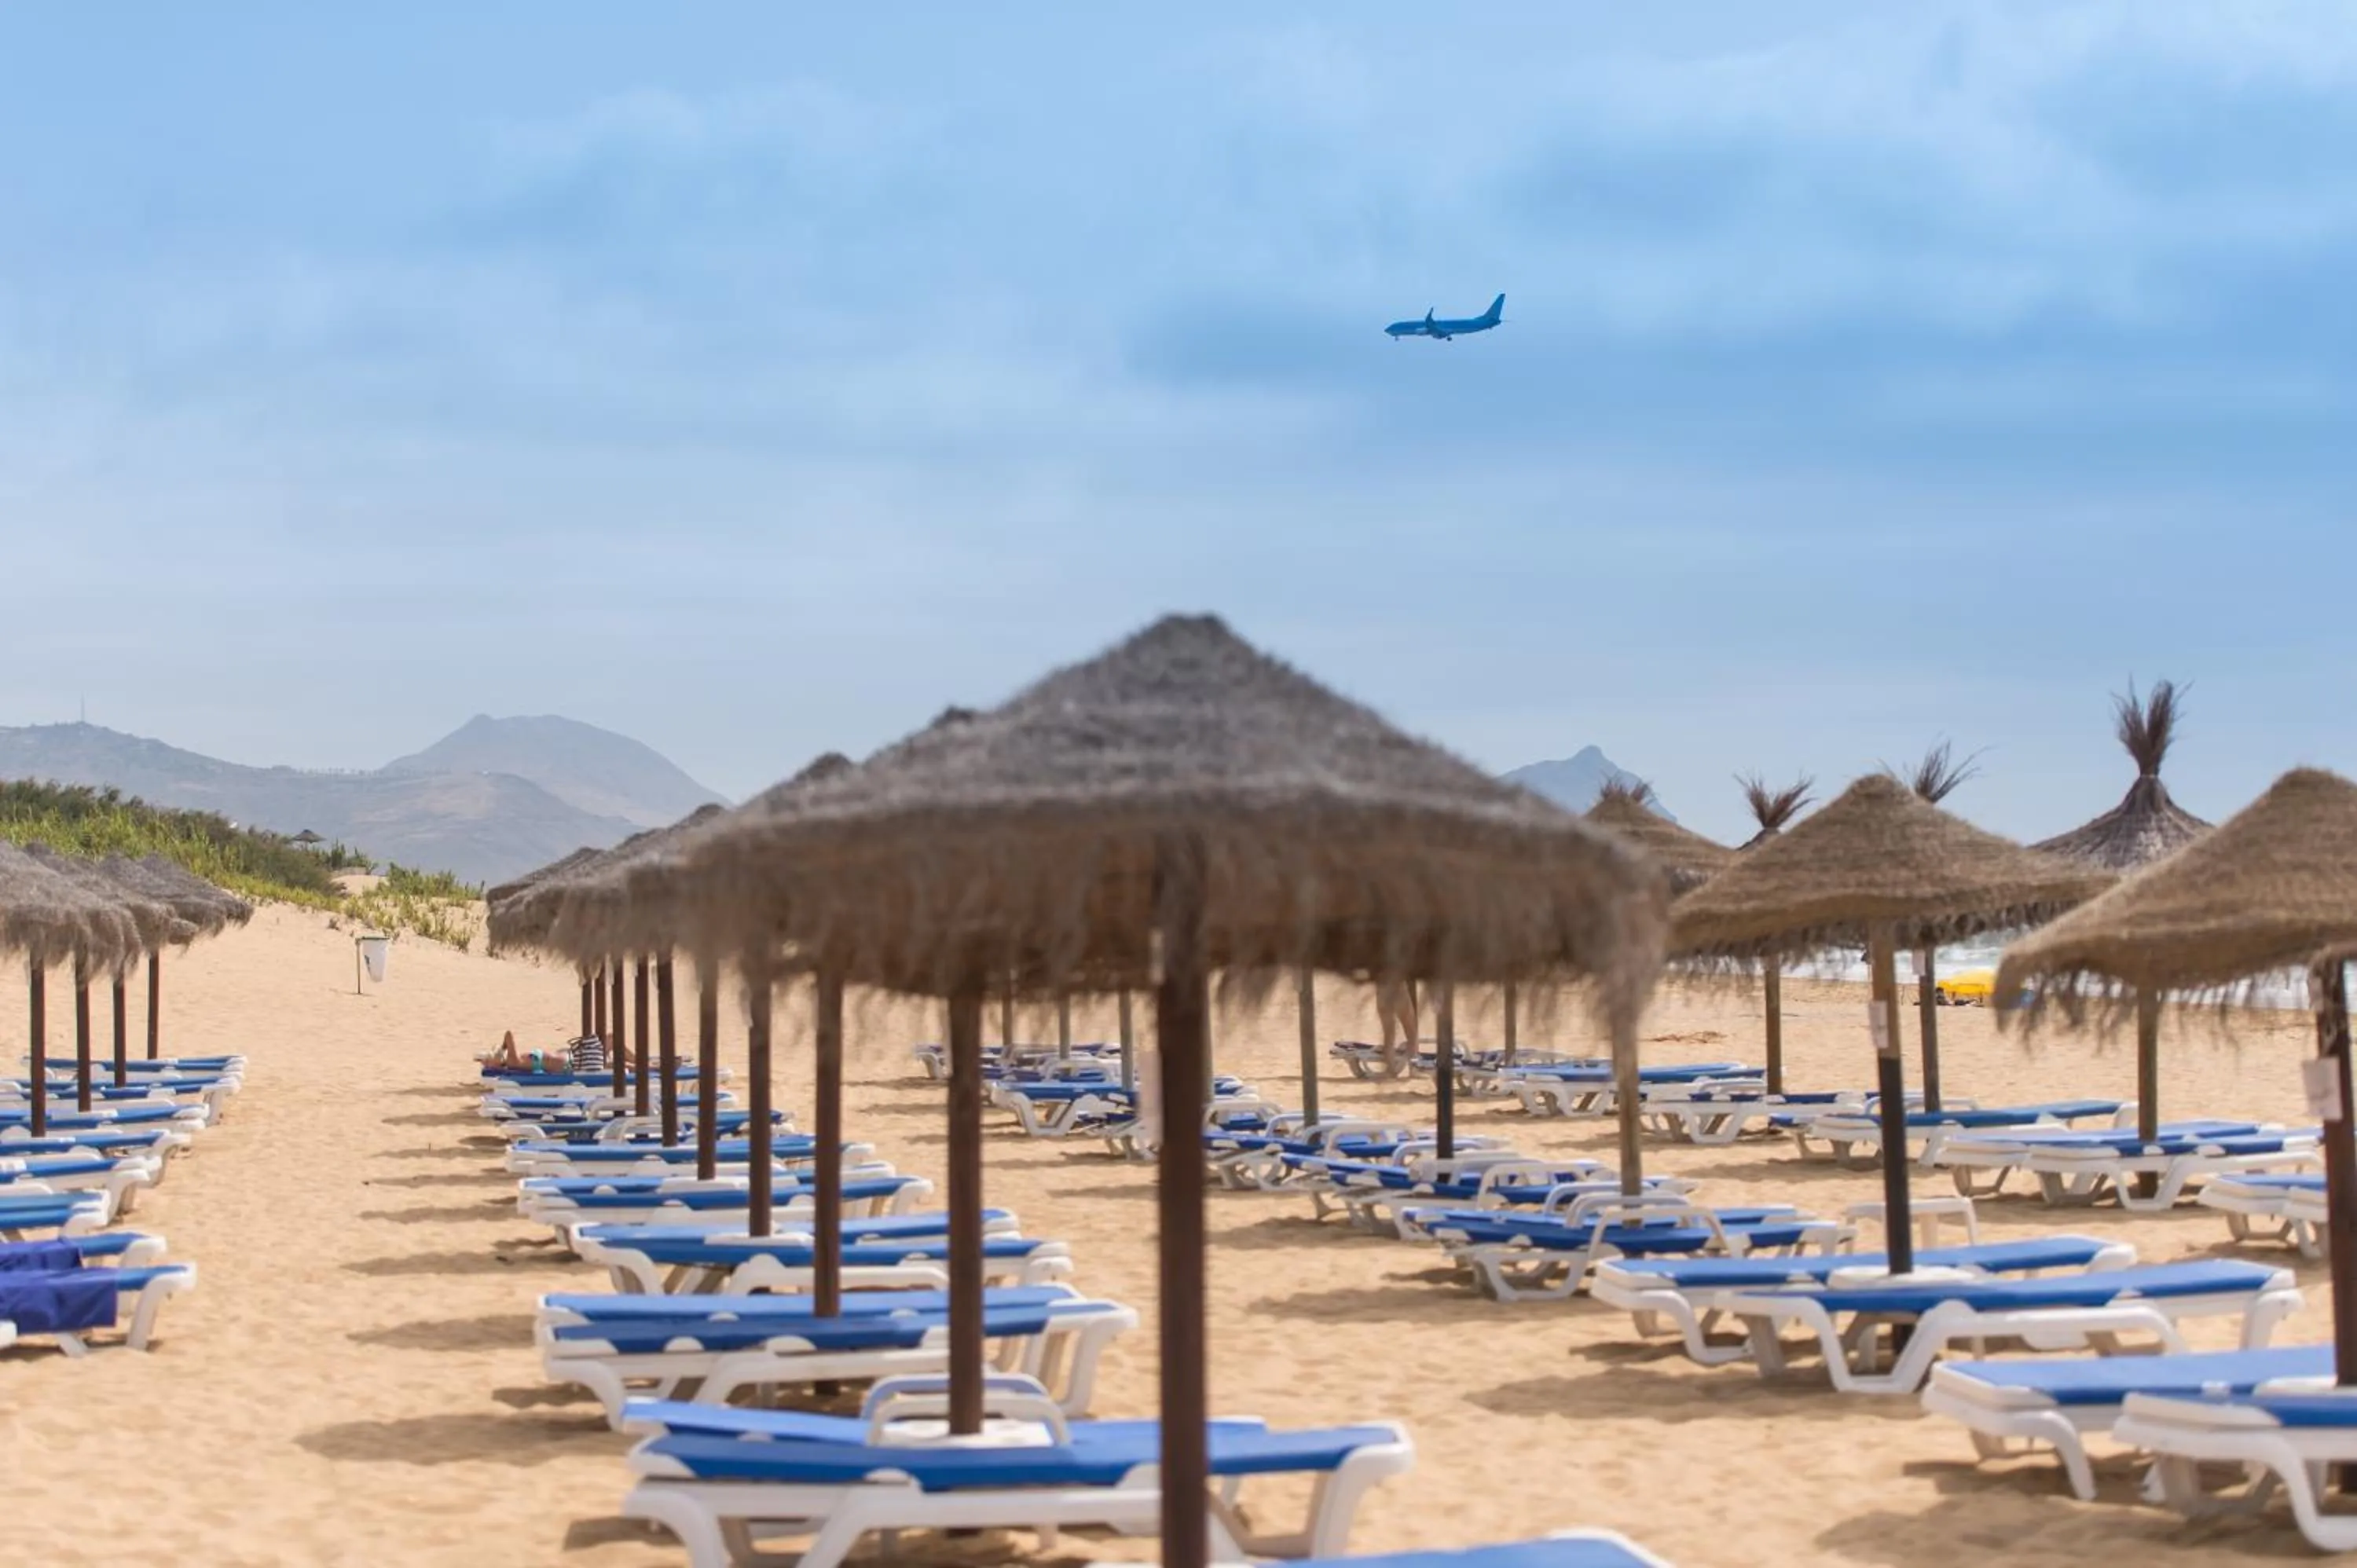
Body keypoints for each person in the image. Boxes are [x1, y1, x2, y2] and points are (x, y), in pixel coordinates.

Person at [1375, 977, 1419, 1079]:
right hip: (1399, 992)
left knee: (1389, 1036)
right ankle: (1414, 1068)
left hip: (1383, 993)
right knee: (1411, 1033)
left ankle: (1390, 1070)